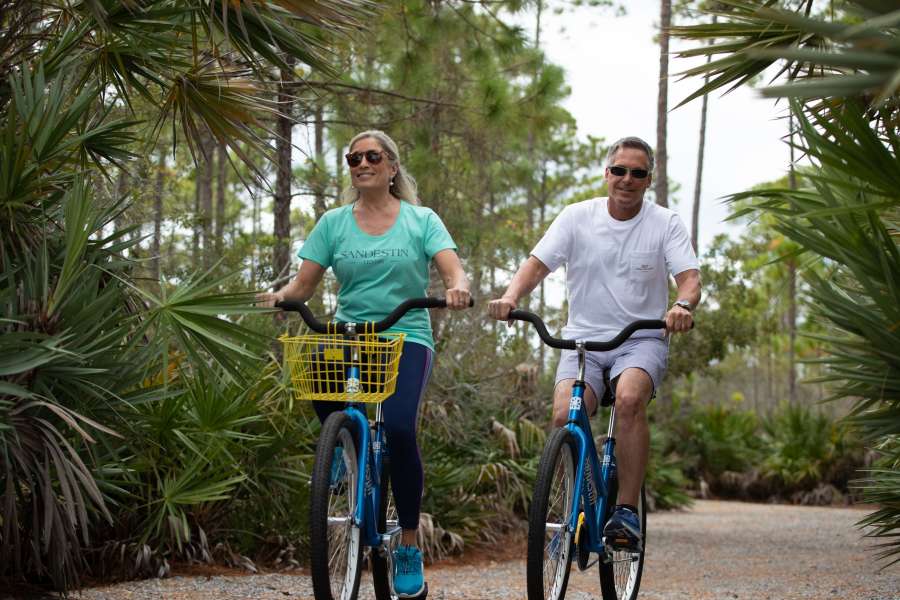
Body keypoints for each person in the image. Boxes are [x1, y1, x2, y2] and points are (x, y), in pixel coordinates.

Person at [259, 130, 470, 597]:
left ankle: (409, 542)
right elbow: (304, 286)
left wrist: (456, 286)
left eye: (372, 156)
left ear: (392, 167)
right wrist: (281, 297)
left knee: (397, 428)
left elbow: (452, 267)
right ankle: (343, 450)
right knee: (315, 372)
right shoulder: (333, 223)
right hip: (351, 333)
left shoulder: (421, 220)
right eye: (353, 157)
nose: (361, 163)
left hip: (405, 335)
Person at [487, 136, 700, 552]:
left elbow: (689, 278)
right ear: (606, 174)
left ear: (648, 180)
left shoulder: (665, 223)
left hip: (639, 340)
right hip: (582, 340)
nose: (626, 179)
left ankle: (625, 512)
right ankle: (574, 508)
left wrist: (680, 305)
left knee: (630, 396)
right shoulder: (576, 217)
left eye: (637, 173)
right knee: (563, 412)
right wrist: (511, 298)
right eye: (619, 170)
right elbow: (536, 265)